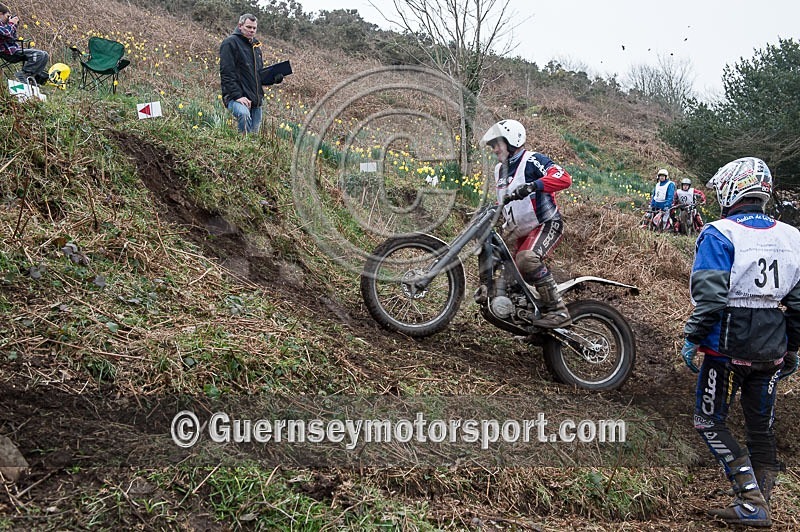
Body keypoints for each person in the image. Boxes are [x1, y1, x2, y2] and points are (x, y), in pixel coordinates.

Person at [681, 157, 800, 527]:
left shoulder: (719, 233)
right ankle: (762, 501)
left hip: (727, 347)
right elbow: (798, 303)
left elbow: (711, 299)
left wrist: (692, 337)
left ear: (731, 189)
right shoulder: (793, 236)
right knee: (759, 427)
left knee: (708, 421)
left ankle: (749, 498)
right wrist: (792, 348)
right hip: (772, 346)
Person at [481, 119, 573, 328]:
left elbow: (563, 178)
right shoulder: (499, 170)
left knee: (526, 259)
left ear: (512, 141)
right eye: (492, 145)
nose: (494, 149)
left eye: (497, 144)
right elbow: (505, 201)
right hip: (516, 233)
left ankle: (558, 310)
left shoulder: (532, 160)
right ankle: (529, 320)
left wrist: (534, 185)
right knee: (503, 271)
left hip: (545, 224)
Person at [220, 14, 265, 134]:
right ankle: (239, 143)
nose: (252, 30)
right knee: (244, 116)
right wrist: (237, 96)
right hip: (236, 97)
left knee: (253, 138)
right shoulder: (230, 43)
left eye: (254, 28)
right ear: (240, 26)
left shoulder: (256, 46)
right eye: (248, 27)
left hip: (255, 100)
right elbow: (226, 73)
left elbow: (258, 75)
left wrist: (275, 77)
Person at [0, 5, 49, 85]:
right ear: (1, 14)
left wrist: (14, 25)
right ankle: (23, 74)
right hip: (7, 53)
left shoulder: (5, 25)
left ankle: (31, 78)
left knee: (45, 55)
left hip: (14, 50)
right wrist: (12, 23)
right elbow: (7, 33)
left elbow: (13, 37)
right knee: (39, 55)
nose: (8, 19)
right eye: (7, 16)